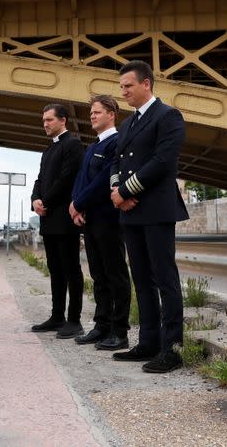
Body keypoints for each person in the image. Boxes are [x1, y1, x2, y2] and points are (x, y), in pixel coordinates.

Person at [109, 60, 190, 373]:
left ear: (146, 84)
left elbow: (162, 161)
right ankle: (148, 341)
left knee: (164, 278)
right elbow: (116, 162)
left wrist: (126, 191)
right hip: (131, 212)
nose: (124, 92)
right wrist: (117, 193)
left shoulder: (168, 116)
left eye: (128, 86)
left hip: (156, 209)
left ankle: (172, 348)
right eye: (121, 87)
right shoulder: (128, 124)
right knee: (141, 278)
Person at [69, 95, 131, 351]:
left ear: (111, 114)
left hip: (109, 219)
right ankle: (101, 325)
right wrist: (75, 205)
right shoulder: (92, 147)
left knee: (115, 275)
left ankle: (120, 331)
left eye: (97, 112)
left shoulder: (116, 143)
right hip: (91, 220)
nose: (92, 116)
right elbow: (82, 180)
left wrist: (78, 202)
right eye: (91, 113)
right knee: (98, 275)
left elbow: (103, 182)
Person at [30, 104, 85, 339]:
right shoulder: (47, 150)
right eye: (44, 120)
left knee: (71, 267)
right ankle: (57, 316)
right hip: (48, 218)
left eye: (50, 120)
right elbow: (40, 179)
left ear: (63, 120)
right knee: (55, 269)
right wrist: (35, 199)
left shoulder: (73, 144)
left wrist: (46, 201)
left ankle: (74, 320)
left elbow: (67, 179)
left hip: (64, 217)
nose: (45, 124)